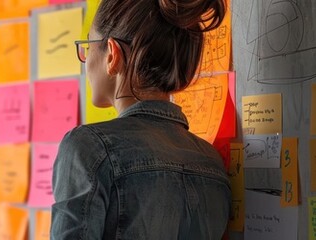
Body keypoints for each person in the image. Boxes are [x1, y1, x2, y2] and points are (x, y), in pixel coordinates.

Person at [51, 0, 230, 239]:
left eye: (87, 46)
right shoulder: (212, 161)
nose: (85, 59)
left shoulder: (89, 147)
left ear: (112, 54)